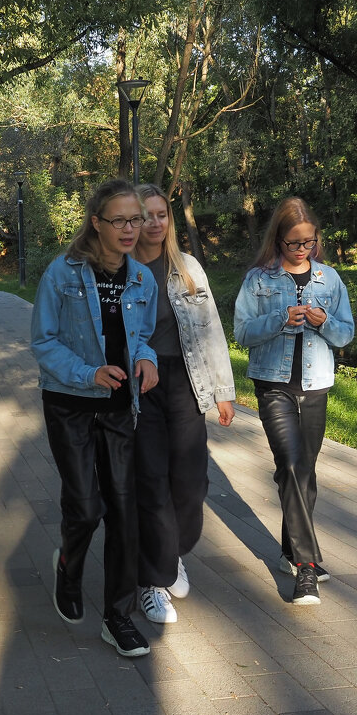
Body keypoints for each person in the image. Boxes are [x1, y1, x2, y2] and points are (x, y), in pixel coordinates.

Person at [30, 178, 160, 657]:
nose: (132, 229)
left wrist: (147, 360)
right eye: (121, 220)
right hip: (69, 402)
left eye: (137, 219)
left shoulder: (142, 279)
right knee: (86, 508)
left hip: (120, 407)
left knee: (124, 511)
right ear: (97, 223)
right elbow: (43, 342)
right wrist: (89, 373)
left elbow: (141, 337)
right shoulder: (61, 274)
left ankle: (118, 616)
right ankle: (68, 565)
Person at [233, 197, 354, 606]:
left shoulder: (330, 280)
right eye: (293, 243)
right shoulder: (258, 280)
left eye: (308, 242)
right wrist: (279, 319)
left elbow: (346, 335)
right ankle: (305, 567)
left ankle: (289, 548)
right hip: (273, 385)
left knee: (303, 472)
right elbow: (243, 334)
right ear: (278, 240)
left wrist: (326, 323)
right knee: (288, 462)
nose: (302, 250)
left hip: (316, 384)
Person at [131, 183, 235, 625]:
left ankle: (172, 554)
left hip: (187, 381)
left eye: (161, 215)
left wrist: (223, 390)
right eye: (145, 216)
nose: (155, 224)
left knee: (191, 484)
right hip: (139, 386)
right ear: (131, 221)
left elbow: (210, 328)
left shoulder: (187, 267)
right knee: (151, 483)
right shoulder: (121, 269)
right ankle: (151, 581)